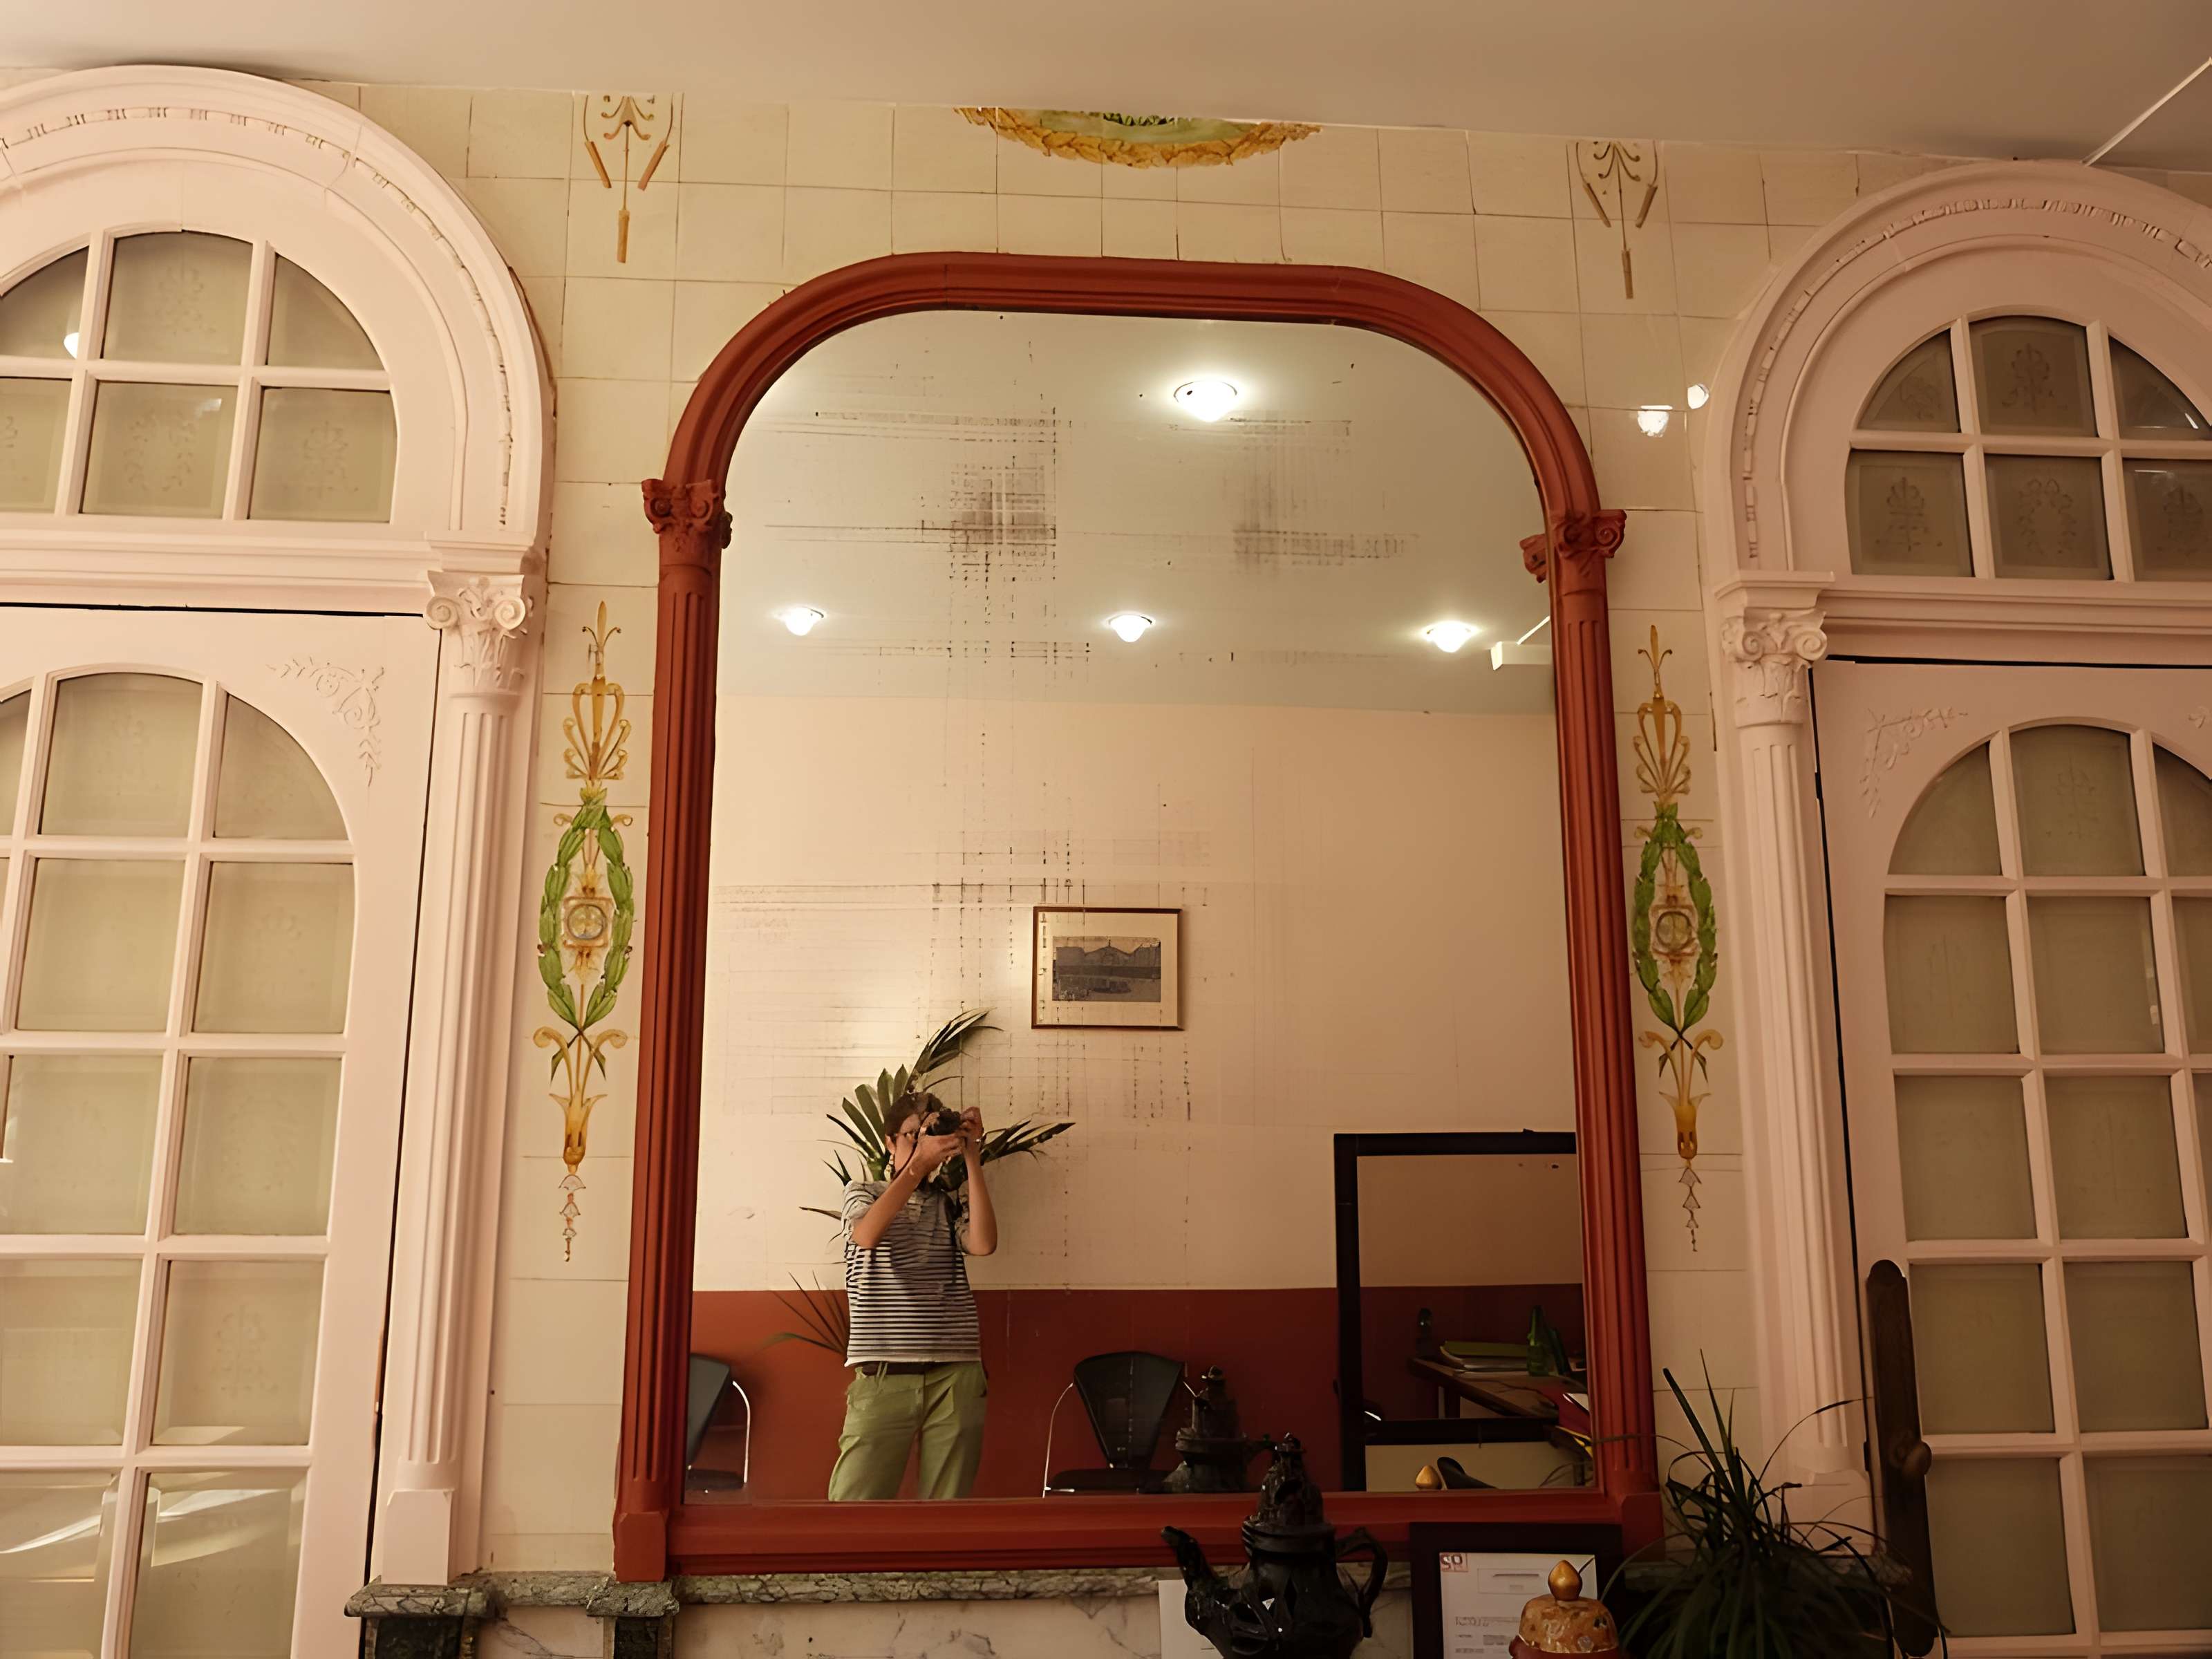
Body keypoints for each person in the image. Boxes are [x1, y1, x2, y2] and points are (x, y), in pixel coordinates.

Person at [827, 1089, 997, 1500]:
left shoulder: (946, 1203)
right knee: (854, 1508)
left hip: (955, 1372)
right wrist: (917, 1166)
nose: (919, 1143)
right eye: (909, 1135)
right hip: (884, 1373)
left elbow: (984, 1244)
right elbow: (866, 1234)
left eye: (927, 1134)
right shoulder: (862, 1192)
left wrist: (972, 1155)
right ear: (889, 1143)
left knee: (948, 1510)